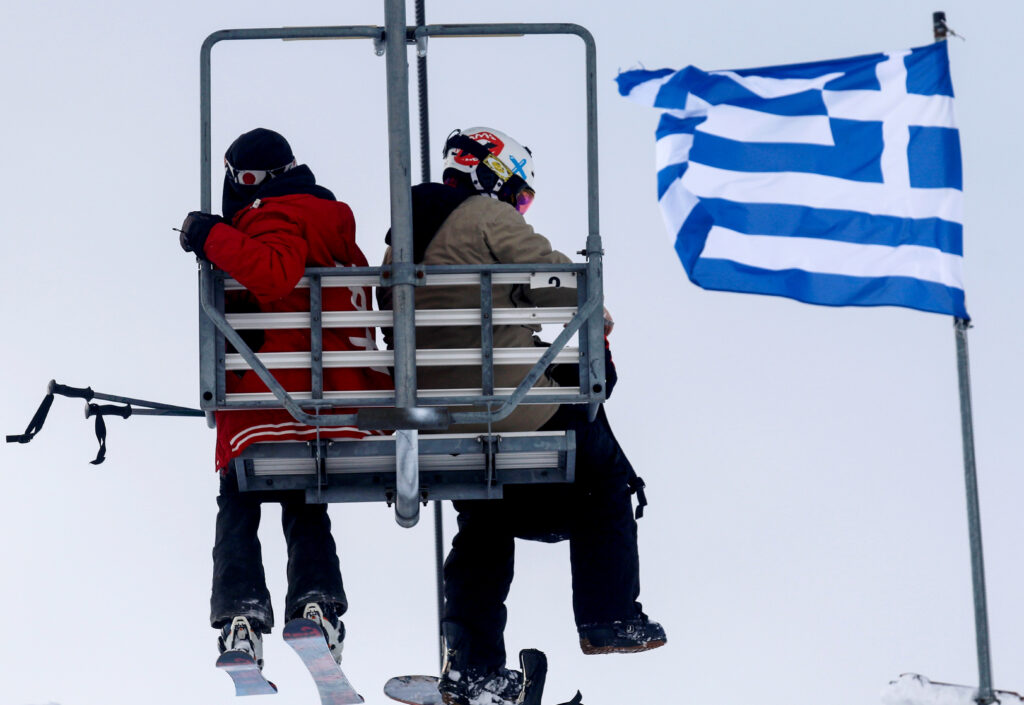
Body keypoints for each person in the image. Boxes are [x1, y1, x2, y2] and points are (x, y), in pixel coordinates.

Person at [377, 127, 665, 705]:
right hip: (505, 406)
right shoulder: (484, 213)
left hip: (435, 418)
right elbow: (560, 281)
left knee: (484, 517)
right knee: (603, 467)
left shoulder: (398, 240)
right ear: (496, 174)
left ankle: (473, 660)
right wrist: (597, 315)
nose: (520, 206)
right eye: (522, 194)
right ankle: (608, 615)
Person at [178, 128, 392, 670]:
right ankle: (318, 607)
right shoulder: (334, 225)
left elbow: (275, 274)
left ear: (247, 180)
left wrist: (210, 235)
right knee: (306, 502)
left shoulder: (271, 216)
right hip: (334, 408)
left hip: (272, 404)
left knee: (239, 499)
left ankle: (240, 616)